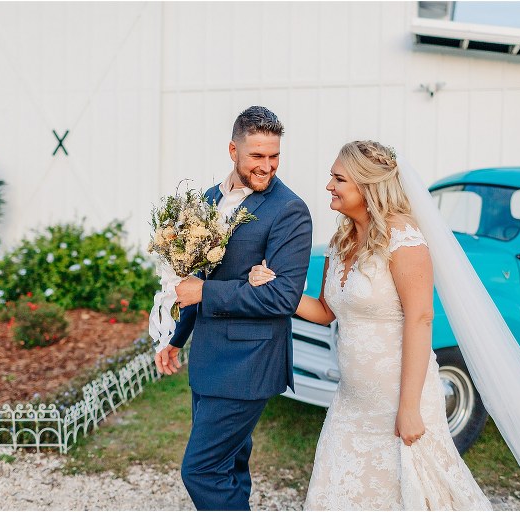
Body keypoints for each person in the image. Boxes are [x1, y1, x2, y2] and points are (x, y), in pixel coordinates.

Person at [248, 141, 492, 510]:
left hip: (399, 399)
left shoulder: (404, 240)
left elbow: (421, 318)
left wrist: (409, 408)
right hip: (352, 400)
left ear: (367, 187)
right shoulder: (341, 240)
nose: (329, 185)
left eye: (339, 178)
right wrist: (277, 289)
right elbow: (327, 310)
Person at [154, 106, 313, 511]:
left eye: (274, 155)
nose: (268, 166)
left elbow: (282, 298)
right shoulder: (208, 201)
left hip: (248, 361)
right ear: (232, 150)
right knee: (228, 467)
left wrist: (207, 292)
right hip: (209, 357)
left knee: (201, 470)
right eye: (257, 156)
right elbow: (194, 278)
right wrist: (177, 338)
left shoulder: (290, 211)